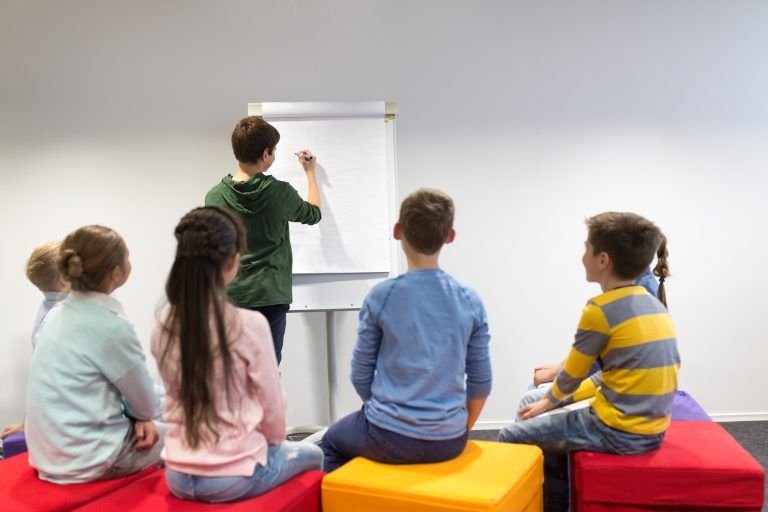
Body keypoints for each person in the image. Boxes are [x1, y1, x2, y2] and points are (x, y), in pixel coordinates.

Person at [498, 212, 678, 510]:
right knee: (548, 428)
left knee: (509, 435)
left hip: (616, 431)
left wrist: (547, 403)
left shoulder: (600, 309)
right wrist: (552, 403)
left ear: (603, 260)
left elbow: (571, 375)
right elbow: (606, 376)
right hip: (653, 432)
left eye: (586, 248)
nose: (583, 255)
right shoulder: (655, 305)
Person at [152, 206, 322, 503]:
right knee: (314, 452)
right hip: (232, 477)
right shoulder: (247, 324)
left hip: (177, 474)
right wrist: (267, 446)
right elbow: (273, 412)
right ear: (232, 262)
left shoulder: (163, 323)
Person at [320, 189, 492, 472]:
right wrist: (460, 428)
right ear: (450, 236)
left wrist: (385, 416)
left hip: (387, 434)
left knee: (330, 442)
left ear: (398, 231)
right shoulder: (470, 300)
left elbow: (359, 374)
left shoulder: (381, 296)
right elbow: (481, 382)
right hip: (450, 440)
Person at [25, 226, 162, 483]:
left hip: (46, 455)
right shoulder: (112, 327)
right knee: (186, 433)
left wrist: (143, 413)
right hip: (87, 460)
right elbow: (146, 403)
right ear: (117, 272)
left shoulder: (53, 316)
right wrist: (146, 412)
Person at [205, 116, 321, 365]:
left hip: (231, 296)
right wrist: (310, 173)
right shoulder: (279, 193)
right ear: (266, 153)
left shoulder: (214, 197)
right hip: (270, 297)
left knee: (230, 372)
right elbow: (313, 214)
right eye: (275, 150)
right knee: (266, 371)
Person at [515, 239, 670, 420]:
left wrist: (561, 374)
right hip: (611, 380)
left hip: (617, 390)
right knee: (534, 391)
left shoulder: (635, 295)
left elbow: (609, 361)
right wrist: (561, 369)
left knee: (529, 400)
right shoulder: (635, 287)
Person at [1, 242, 70, 440]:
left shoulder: (47, 305)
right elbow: (44, 375)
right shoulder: (61, 315)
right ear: (64, 279)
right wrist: (27, 421)